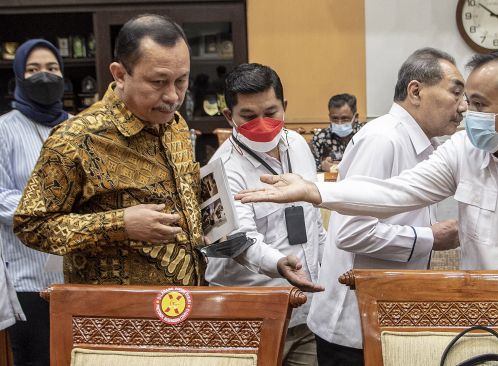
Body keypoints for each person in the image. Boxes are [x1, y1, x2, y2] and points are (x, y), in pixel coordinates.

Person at [236, 51, 498, 366]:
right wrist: (315, 192)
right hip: (479, 333)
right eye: (464, 100)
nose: (465, 113)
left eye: (477, 104)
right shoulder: (464, 152)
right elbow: (395, 193)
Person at [12, 14, 318, 292]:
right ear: (120, 74)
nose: (172, 96)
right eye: (158, 82)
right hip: (120, 319)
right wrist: (119, 225)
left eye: (181, 80)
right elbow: (31, 226)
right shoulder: (78, 138)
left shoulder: (175, 126)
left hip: (188, 304)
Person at [308, 48, 462, 366]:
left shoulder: (424, 143)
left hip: (386, 315)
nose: (462, 107)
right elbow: (351, 233)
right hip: (352, 326)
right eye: (455, 92)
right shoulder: (383, 140)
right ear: (416, 90)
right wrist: (430, 238)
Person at [205, 63, 325, 365]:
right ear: (228, 115)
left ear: (284, 107)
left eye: (270, 113)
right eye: (248, 116)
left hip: (305, 312)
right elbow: (236, 241)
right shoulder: (218, 171)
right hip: (248, 320)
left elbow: (312, 222)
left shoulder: (298, 145)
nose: (261, 122)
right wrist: (277, 263)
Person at [0, 39, 67, 366]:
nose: (45, 75)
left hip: (77, 276)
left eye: (52, 69)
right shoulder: (4, 130)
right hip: (27, 277)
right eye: (34, 69)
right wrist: (48, 207)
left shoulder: (76, 128)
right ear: (19, 76)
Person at [311, 93, 362, 172]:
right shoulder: (320, 138)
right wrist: (322, 166)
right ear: (329, 116)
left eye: (345, 118)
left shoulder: (364, 136)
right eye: (334, 118)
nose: (339, 123)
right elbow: (310, 165)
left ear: (356, 117)